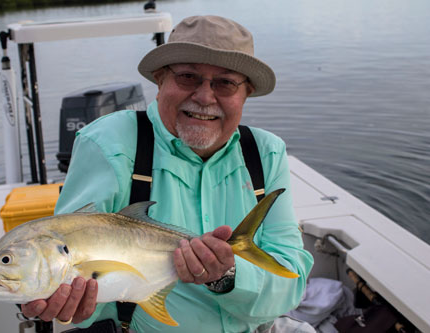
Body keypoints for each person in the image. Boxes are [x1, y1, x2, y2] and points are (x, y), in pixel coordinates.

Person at [21, 15, 314, 332]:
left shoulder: (265, 153)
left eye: (225, 83)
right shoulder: (107, 144)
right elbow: (68, 265)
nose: (204, 97)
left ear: (246, 93)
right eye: (188, 77)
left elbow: (290, 288)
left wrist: (226, 276)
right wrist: (58, 301)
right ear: (159, 81)